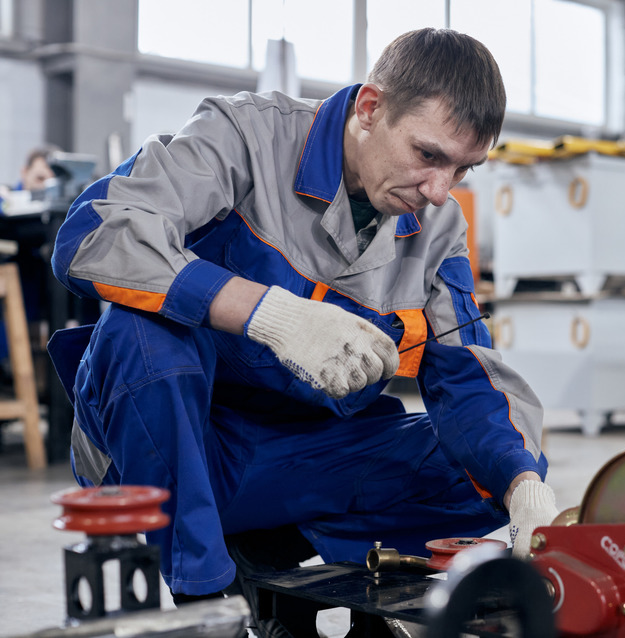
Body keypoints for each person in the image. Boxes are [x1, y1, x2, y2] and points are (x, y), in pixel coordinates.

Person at [49, 27, 557, 634]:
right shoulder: (243, 135)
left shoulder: (437, 228)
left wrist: (524, 484)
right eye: (428, 155)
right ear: (370, 109)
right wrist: (266, 313)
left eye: (463, 169)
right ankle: (210, 598)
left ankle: (264, 553)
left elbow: (468, 373)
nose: (440, 192)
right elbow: (92, 235)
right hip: (168, 448)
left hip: (292, 454)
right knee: (142, 334)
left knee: (481, 468)